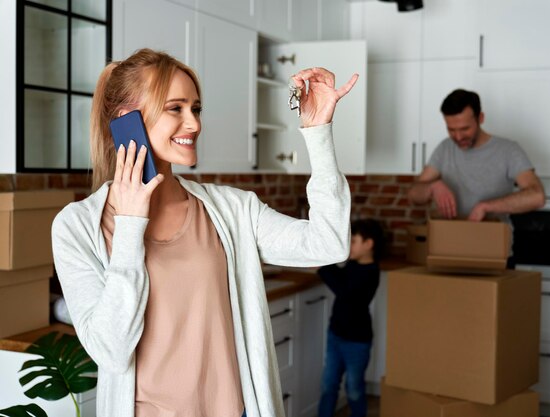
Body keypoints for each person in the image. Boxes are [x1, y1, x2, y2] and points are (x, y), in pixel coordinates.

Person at [51, 48, 358, 417]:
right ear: (126, 120)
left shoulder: (231, 210)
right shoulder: (77, 227)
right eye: (175, 108)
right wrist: (131, 225)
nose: (194, 123)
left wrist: (318, 131)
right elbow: (111, 350)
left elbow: (329, 244)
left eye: (195, 109)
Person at [407, 89, 545, 265]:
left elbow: (537, 196)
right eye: (451, 129)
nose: (458, 137)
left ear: (480, 118)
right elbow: (413, 195)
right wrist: (432, 186)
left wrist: (486, 206)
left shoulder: (508, 150)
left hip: (494, 254)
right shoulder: (445, 149)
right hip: (448, 253)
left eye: (465, 128)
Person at [316, 218, 384, 417]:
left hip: (357, 342)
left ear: (369, 244)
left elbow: (345, 291)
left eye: (353, 240)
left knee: (354, 389)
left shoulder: (371, 272)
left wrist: (322, 268)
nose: (349, 245)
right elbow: (341, 277)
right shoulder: (352, 264)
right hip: (335, 335)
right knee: (328, 385)